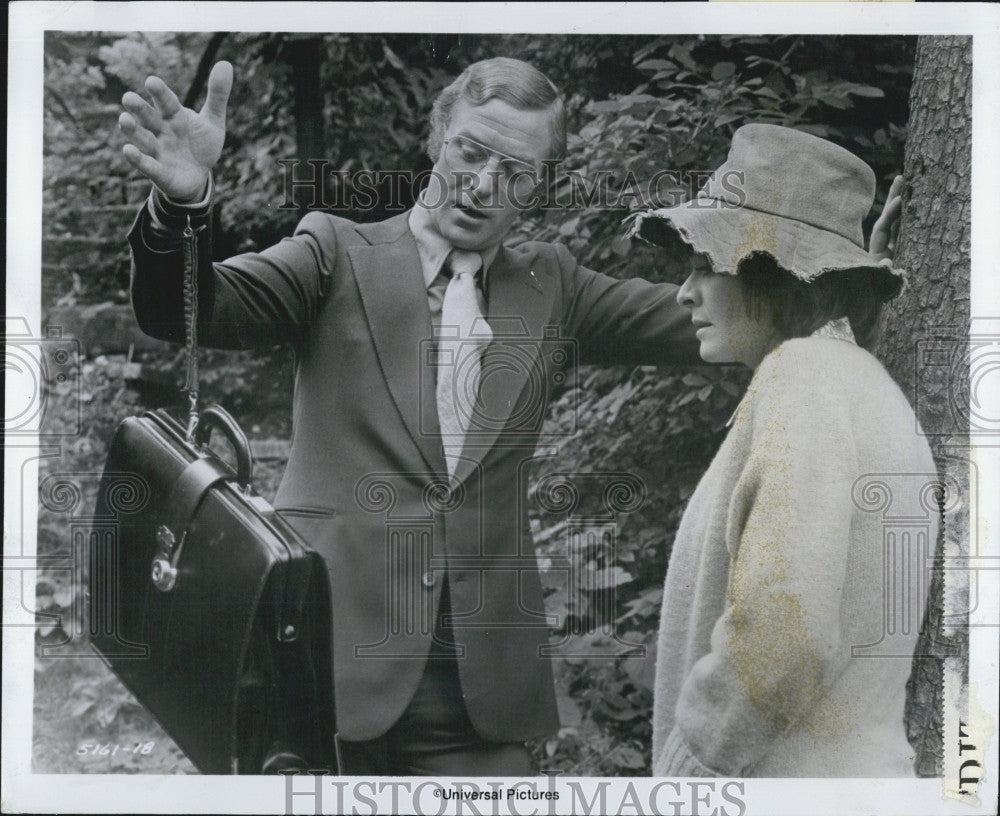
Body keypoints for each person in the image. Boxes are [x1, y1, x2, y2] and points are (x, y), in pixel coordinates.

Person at [119, 57, 899, 776]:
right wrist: (182, 203)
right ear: (438, 140)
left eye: (515, 171)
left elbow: (734, 315)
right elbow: (186, 308)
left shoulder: (553, 287)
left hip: (478, 697)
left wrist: (833, 276)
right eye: (470, 152)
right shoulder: (335, 252)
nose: (484, 183)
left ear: (538, 186)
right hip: (318, 660)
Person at [630, 123, 935, 777]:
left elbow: (786, 636)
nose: (684, 292)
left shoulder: (805, 379)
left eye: (703, 264)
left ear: (773, 273)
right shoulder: (844, 383)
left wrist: (693, 766)